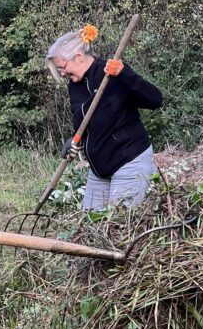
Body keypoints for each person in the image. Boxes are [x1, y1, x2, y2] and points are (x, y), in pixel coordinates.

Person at [45, 26, 163, 210]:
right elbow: (86, 119)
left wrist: (125, 74)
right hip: (99, 171)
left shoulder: (111, 74)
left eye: (62, 67)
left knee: (119, 226)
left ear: (78, 57)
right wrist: (75, 139)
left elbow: (156, 100)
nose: (61, 73)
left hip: (129, 163)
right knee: (89, 228)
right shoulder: (75, 85)